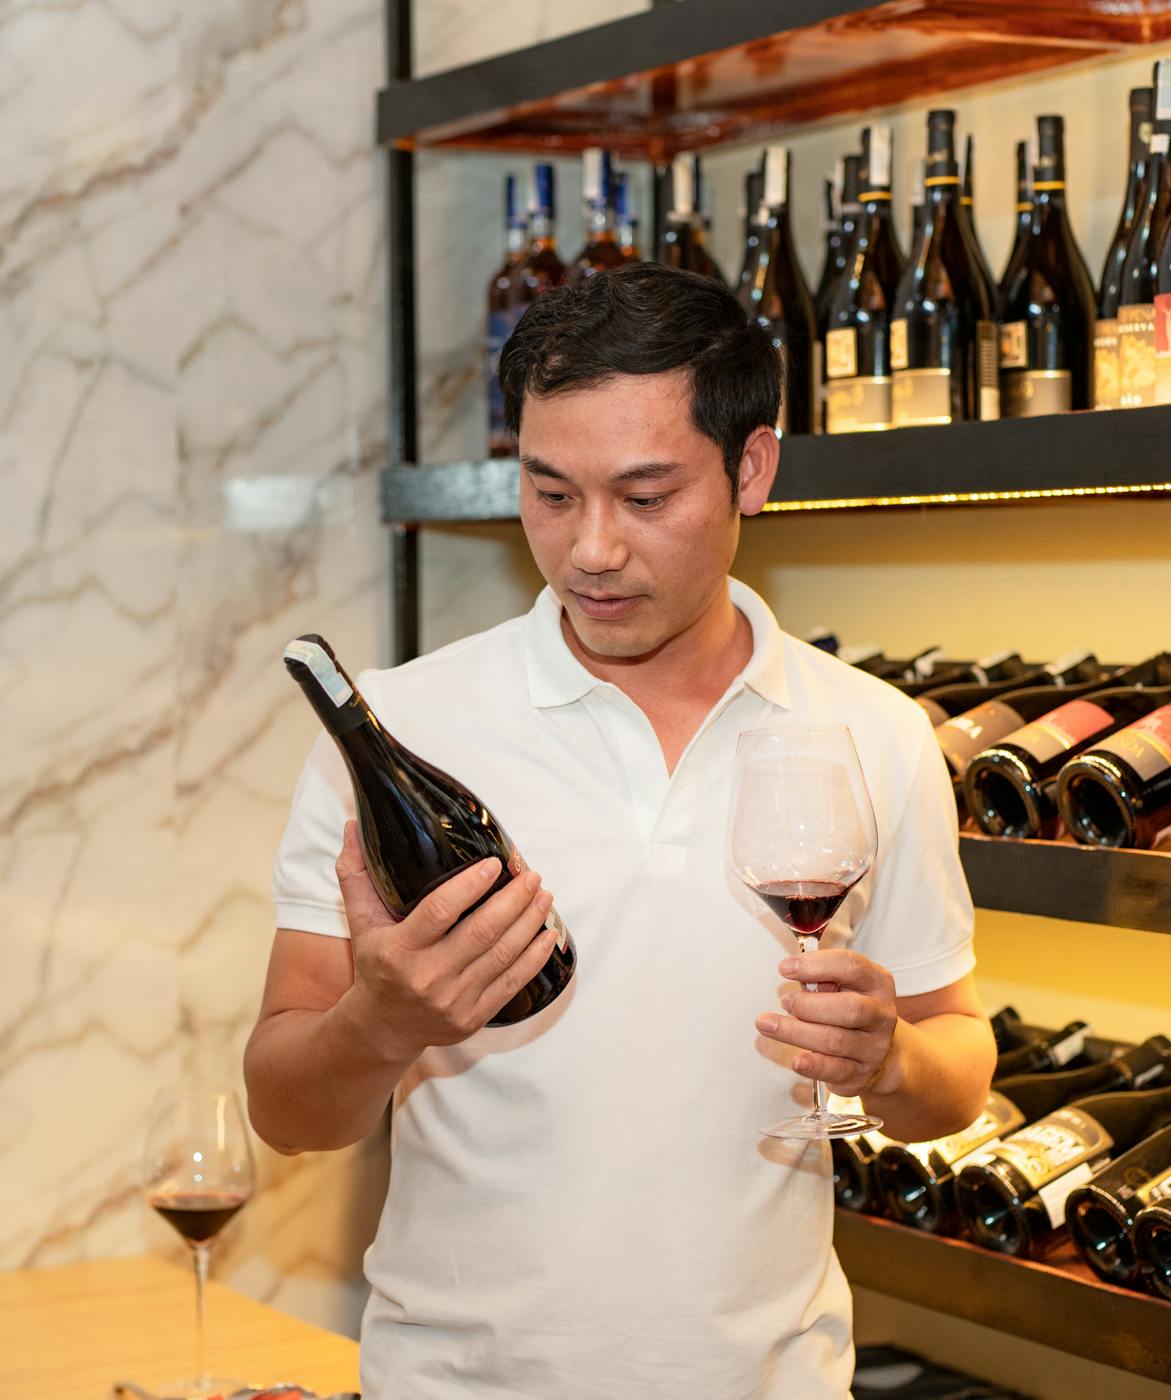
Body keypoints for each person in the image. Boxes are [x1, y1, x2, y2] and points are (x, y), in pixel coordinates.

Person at [245, 264, 996, 1399]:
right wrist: (381, 1019)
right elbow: (285, 1106)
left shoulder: (872, 732)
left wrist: (888, 1058)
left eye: (645, 498)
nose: (592, 548)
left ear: (752, 467)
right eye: (551, 494)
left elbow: (959, 1064)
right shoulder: (401, 729)